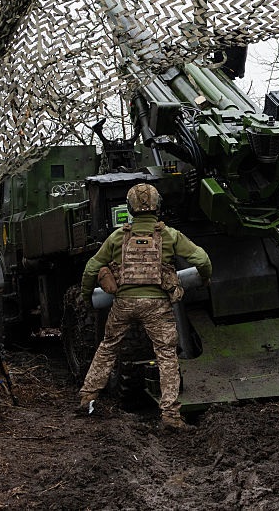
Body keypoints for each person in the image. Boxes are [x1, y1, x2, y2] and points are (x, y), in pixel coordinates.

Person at [77, 183, 212, 429]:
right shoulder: (169, 235)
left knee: (108, 347)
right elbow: (202, 259)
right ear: (158, 206)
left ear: (130, 208)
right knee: (166, 356)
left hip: (123, 305)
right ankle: (170, 415)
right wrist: (204, 279)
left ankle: (87, 398)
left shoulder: (118, 236)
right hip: (157, 307)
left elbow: (91, 268)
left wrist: (87, 297)